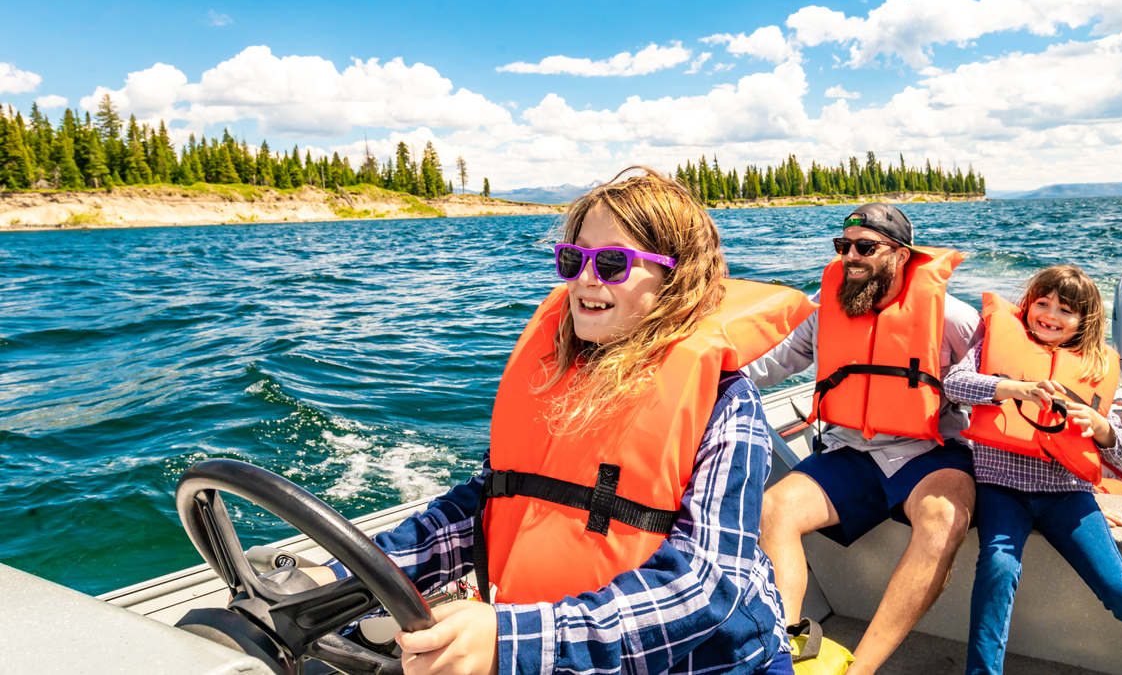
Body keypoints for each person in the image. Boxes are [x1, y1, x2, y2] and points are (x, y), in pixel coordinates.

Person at [304, 167, 815, 675]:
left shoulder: (726, 401)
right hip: (559, 653)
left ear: (675, 279)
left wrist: (510, 642)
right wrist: (341, 579)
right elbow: (483, 505)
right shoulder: (554, 377)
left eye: (614, 262)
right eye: (574, 259)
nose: (587, 278)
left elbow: (706, 586)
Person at [744, 203, 982, 675]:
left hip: (929, 453)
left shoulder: (952, 318)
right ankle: (785, 656)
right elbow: (772, 364)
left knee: (943, 519)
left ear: (900, 253)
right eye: (842, 246)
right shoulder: (825, 311)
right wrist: (701, 375)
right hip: (850, 449)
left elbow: (998, 389)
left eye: (865, 247)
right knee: (774, 509)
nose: (850, 257)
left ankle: (862, 669)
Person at [950, 265, 1122, 675]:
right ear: (1029, 305)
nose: (1051, 315)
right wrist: (1013, 388)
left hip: (1067, 497)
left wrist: (1102, 427)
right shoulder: (992, 346)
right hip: (1002, 489)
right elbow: (954, 383)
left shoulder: (1094, 365)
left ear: (1084, 321)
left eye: (1066, 310)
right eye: (1043, 303)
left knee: (1120, 590)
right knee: (997, 569)